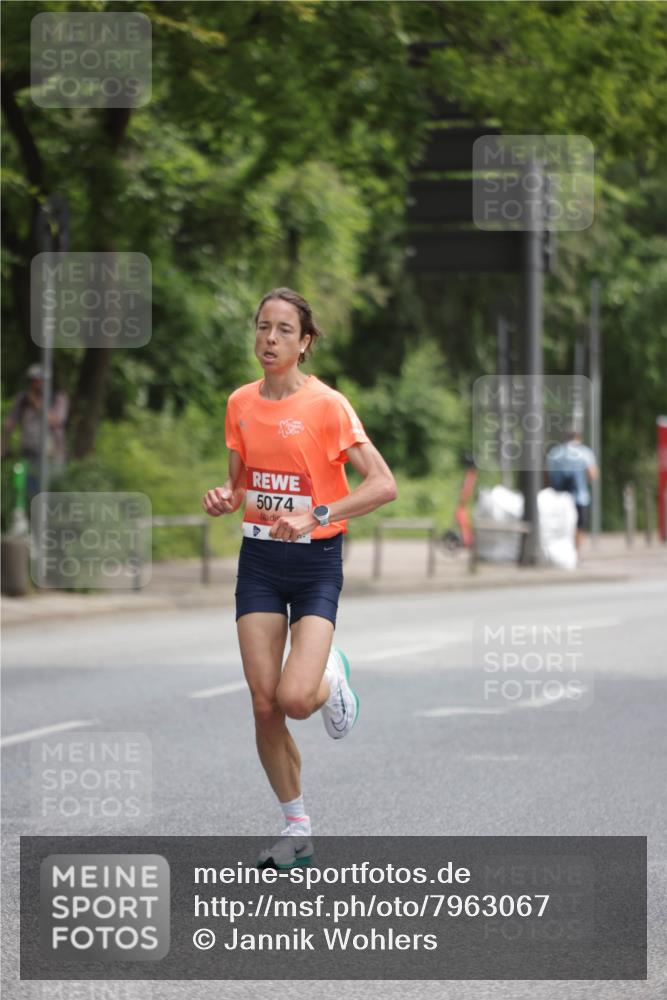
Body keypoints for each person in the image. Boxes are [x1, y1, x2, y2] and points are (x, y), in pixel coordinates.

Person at [202, 288, 397, 869]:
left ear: (305, 342)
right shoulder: (240, 403)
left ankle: (331, 677)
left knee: (295, 698)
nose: (270, 339)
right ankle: (297, 830)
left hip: (315, 562)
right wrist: (225, 497)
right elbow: (240, 484)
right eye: (263, 327)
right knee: (265, 705)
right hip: (259, 561)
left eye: (284, 330)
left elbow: (382, 484)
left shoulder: (328, 406)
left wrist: (317, 514)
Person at [1, 364, 69, 501]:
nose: (35, 384)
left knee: (50, 495)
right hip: (29, 454)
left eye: (38, 380)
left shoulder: (58, 398)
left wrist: (37, 404)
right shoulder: (23, 399)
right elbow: (9, 424)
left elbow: (56, 421)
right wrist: (3, 446)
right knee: (28, 494)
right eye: (32, 381)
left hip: (52, 456)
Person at [546, 425, 599, 550]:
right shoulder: (585, 452)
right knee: (578, 526)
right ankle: (575, 552)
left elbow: (548, 476)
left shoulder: (555, 453)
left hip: (558, 497)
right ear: (579, 437)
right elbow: (592, 474)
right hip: (580, 497)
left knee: (560, 525)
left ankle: (562, 550)